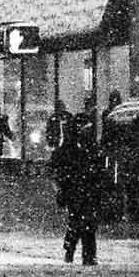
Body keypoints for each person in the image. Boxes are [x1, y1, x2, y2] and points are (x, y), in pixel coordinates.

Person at [52, 113, 103, 266]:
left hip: (85, 189)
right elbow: (59, 167)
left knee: (86, 223)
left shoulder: (88, 146)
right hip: (76, 189)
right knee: (78, 222)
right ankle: (73, 250)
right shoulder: (71, 147)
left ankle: (87, 254)